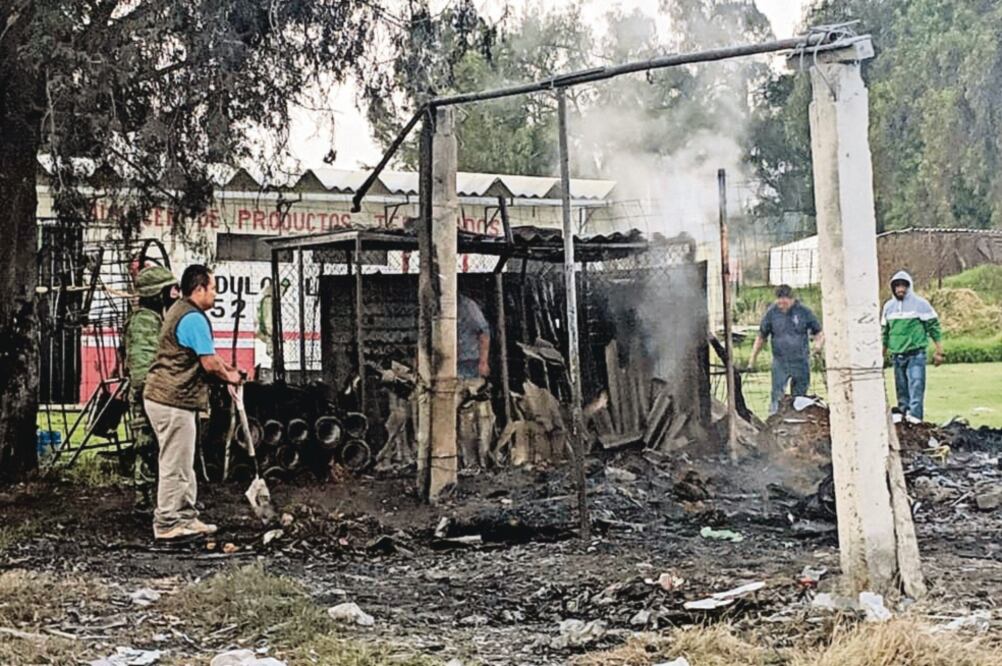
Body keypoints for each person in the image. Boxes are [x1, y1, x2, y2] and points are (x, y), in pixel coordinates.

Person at [144, 265, 244, 540]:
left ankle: (186, 516)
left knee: (184, 462)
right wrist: (230, 378)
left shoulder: (183, 312)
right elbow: (210, 363)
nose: (215, 295)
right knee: (174, 463)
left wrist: (230, 372)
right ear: (199, 290)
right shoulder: (192, 318)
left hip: (175, 398)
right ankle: (166, 523)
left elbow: (209, 354)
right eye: (213, 289)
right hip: (171, 399)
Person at [124, 265, 178, 510]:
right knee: (146, 445)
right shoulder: (145, 321)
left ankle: (151, 496)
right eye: (169, 290)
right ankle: (144, 497)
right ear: (157, 293)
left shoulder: (155, 318)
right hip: (148, 392)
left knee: (152, 444)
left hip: (153, 391)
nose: (174, 294)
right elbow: (142, 365)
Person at [749, 284, 824, 414]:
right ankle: (774, 421)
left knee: (799, 398)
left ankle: (795, 421)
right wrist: (752, 359)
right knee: (777, 395)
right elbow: (761, 336)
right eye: (779, 300)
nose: (781, 304)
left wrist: (818, 346)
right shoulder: (771, 313)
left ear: (792, 299)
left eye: (784, 300)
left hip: (801, 361)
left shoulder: (804, 312)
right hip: (780, 362)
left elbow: (819, 332)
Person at [881, 270, 944, 422]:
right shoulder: (888, 307)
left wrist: (939, 351)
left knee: (916, 385)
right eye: (897, 286)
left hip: (916, 354)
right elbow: (885, 333)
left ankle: (915, 418)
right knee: (901, 389)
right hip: (897, 356)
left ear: (909, 287)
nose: (900, 289)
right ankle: (903, 416)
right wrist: (881, 355)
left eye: (904, 286)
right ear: (893, 288)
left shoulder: (920, 304)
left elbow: (933, 328)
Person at [456, 292, 495, 470]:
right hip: (452, 368)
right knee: (460, 419)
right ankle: (466, 461)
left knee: (474, 415)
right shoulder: (438, 306)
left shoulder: (467, 306)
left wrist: (483, 361)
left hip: (471, 366)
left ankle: (481, 459)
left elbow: (484, 332)